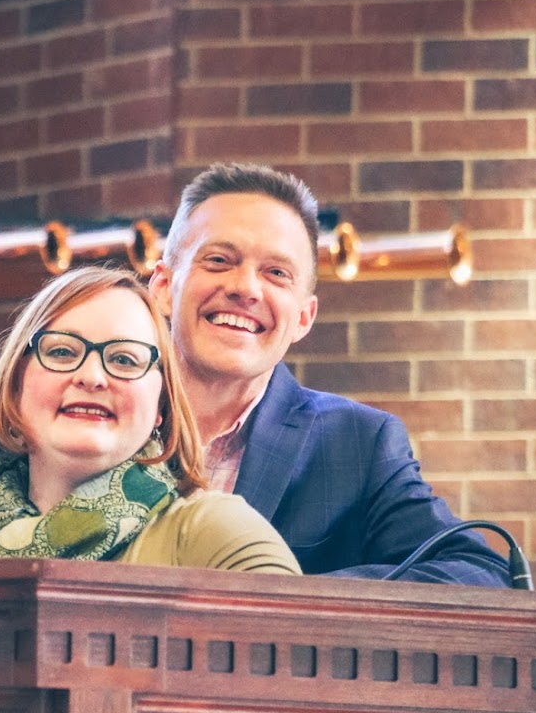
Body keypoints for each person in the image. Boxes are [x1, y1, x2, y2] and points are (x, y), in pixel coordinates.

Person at [147, 162, 510, 586]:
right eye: (219, 260)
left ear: (304, 317)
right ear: (161, 286)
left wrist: (298, 598)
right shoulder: (98, 409)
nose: (245, 288)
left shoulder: (358, 443)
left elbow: (480, 573)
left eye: (276, 273)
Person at [0, 265, 299, 574]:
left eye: (124, 360)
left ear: (161, 405)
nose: (92, 377)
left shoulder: (213, 534)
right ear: (14, 386)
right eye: (63, 352)